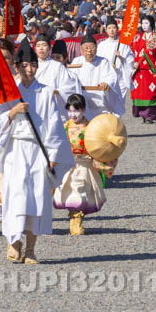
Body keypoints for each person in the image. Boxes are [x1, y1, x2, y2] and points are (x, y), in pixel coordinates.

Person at [0, 39, 74, 264]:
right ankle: (13, 241)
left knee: (37, 198)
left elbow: (54, 124)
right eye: (25, 65)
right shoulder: (9, 91)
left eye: (33, 65)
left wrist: (53, 157)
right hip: (15, 149)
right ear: (17, 66)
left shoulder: (47, 92)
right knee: (15, 196)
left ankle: (30, 249)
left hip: (39, 150)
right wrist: (12, 112)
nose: (29, 70)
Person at [53, 94, 114, 235]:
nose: (73, 114)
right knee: (70, 191)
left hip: (85, 163)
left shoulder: (91, 128)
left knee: (82, 191)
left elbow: (99, 144)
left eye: (77, 110)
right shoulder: (64, 127)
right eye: (70, 110)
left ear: (84, 110)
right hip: (68, 164)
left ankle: (77, 219)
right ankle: (74, 218)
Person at [71, 33, 122, 118]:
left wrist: (106, 83)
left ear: (96, 48)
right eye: (86, 48)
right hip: (82, 101)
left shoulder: (103, 62)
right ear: (81, 49)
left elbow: (111, 76)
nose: (89, 51)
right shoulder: (76, 62)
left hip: (100, 102)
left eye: (92, 47)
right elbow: (71, 78)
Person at [130, 15, 156, 122]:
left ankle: (150, 116)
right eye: (143, 23)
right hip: (139, 70)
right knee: (138, 92)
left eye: (147, 23)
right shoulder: (136, 38)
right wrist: (133, 63)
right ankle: (142, 114)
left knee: (152, 93)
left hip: (151, 70)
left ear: (151, 24)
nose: (144, 26)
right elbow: (131, 52)